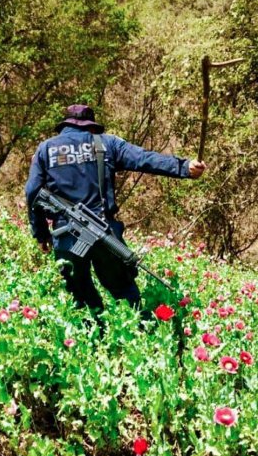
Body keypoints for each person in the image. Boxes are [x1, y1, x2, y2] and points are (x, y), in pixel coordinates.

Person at [24, 104, 206, 313]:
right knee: (123, 291)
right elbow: (144, 159)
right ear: (91, 126)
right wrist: (184, 167)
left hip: (67, 234)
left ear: (64, 125)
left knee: (78, 295)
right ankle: (136, 333)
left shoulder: (45, 149)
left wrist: (41, 233)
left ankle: (94, 334)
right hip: (104, 231)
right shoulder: (107, 144)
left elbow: (32, 192)